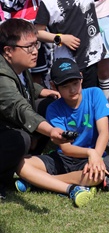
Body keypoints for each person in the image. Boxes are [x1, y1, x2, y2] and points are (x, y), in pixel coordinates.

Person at [14, 58, 109, 207]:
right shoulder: (53, 108)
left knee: (97, 175)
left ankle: (39, 182)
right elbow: (66, 148)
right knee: (21, 163)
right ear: (54, 86)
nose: (72, 89)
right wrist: (90, 153)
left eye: (75, 83)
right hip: (65, 157)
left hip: (91, 158)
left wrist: (95, 156)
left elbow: (104, 132)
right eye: (65, 86)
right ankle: (67, 186)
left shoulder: (95, 93)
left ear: (81, 77)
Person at [0, 19, 69, 198]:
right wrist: (50, 130)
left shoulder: (19, 65)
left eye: (36, 44)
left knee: (49, 104)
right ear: (8, 51)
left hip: (8, 124)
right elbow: (18, 106)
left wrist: (44, 91)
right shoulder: (1, 77)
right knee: (19, 139)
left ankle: (28, 161)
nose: (35, 50)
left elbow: (24, 86)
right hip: (6, 129)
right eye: (28, 46)